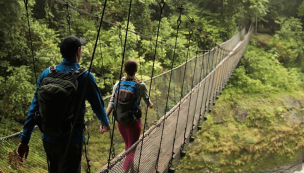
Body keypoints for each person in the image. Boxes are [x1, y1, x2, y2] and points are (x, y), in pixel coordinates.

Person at [16, 36, 110, 173]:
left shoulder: (46, 74)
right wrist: (105, 122)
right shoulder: (85, 77)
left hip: (48, 139)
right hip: (72, 141)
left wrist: (24, 140)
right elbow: (98, 105)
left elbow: (34, 108)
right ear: (78, 50)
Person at [106, 59, 153, 173]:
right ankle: (124, 171)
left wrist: (105, 118)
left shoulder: (118, 83)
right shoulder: (140, 85)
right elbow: (147, 102)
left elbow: (112, 101)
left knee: (128, 146)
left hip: (120, 121)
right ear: (136, 70)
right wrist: (150, 104)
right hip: (134, 122)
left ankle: (131, 168)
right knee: (131, 150)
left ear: (125, 70)